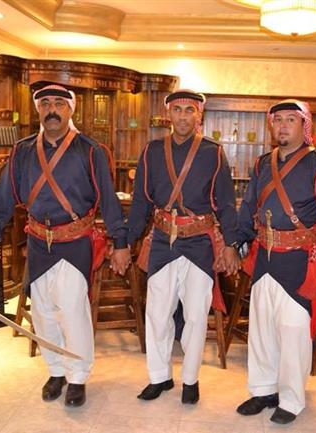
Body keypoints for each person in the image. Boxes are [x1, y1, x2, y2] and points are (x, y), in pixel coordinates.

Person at [0, 83, 130, 408]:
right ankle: (55, 371)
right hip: (38, 243)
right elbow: (3, 200)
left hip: (74, 242)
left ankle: (77, 376)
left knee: (72, 312)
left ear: (70, 109)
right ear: (38, 109)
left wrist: (120, 241)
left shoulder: (90, 150)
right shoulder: (23, 150)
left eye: (58, 103)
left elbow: (108, 199)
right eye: (45, 103)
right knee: (43, 314)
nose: (51, 109)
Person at [234, 99, 316, 424]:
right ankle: (263, 390)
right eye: (278, 120)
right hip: (264, 258)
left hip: (300, 261)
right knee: (261, 330)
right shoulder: (262, 164)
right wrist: (238, 240)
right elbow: (249, 206)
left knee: (293, 334)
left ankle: (291, 399)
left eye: (290, 120)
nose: (282, 126)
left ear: (304, 125)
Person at [125, 89, 239, 405]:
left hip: (200, 243)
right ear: (169, 114)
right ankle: (159, 377)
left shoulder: (213, 153)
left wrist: (231, 243)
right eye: (177, 109)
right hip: (162, 241)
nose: (183, 116)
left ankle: (190, 379)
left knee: (196, 316)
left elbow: (226, 203)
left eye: (190, 110)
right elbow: (140, 202)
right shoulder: (151, 152)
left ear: (199, 115)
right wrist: (125, 241)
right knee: (156, 313)